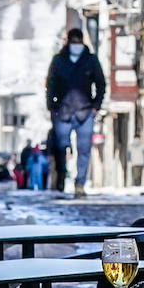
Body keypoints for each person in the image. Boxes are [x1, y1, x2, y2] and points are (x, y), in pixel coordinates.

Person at [45, 27, 104, 197]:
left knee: (84, 149)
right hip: (62, 112)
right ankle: (61, 178)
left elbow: (101, 83)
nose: (76, 45)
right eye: (74, 41)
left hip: (85, 111)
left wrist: (96, 106)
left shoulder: (90, 60)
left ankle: (80, 183)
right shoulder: (58, 60)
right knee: (61, 146)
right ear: (68, 42)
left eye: (79, 41)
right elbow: (51, 83)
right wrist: (52, 106)